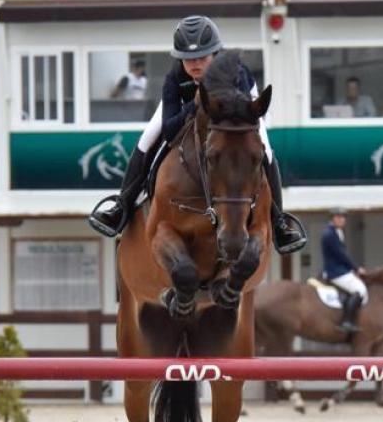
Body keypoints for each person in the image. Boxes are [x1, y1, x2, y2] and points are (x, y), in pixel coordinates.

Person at [87, 15, 307, 255]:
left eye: (201, 57)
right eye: (187, 59)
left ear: (215, 53)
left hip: (239, 108)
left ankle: (279, 221)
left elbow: (241, 115)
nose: (194, 65)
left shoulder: (235, 72)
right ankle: (121, 205)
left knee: (263, 144)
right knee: (148, 137)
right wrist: (194, 106)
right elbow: (171, 131)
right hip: (188, 105)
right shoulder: (175, 77)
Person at [321, 208, 367, 333]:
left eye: (343, 217)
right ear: (333, 219)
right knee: (360, 290)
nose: (342, 220)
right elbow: (341, 255)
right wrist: (356, 268)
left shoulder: (337, 232)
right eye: (339, 217)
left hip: (340, 269)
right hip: (335, 272)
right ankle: (346, 321)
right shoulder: (329, 234)